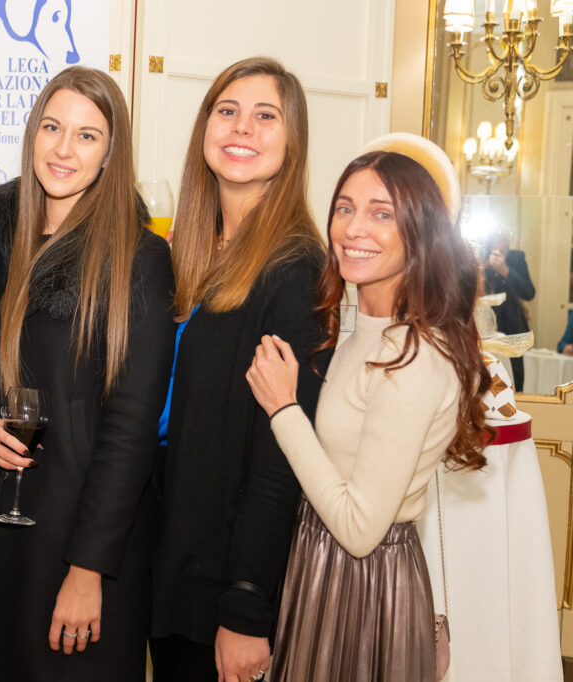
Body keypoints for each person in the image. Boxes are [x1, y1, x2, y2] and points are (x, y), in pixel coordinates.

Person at [0, 66, 175, 682]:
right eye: (52, 127)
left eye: (87, 135)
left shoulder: (137, 257)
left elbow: (132, 428)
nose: (64, 149)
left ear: (111, 154)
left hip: (81, 537)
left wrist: (88, 569)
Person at [246, 145, 492, 681]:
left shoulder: (414, 353)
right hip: (324, 568)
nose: (354, 228)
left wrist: (283, 408)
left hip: (360, 586)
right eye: (344, 207)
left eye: (382, 213)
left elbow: (360, 529)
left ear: (419, 233)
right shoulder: (363, 327)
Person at [149, 57, 328, 682]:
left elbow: (283, 452)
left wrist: (247, 606)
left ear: (292, 139)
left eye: (265, 116)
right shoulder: (192, 255)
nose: (241, 128)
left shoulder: (295, 269)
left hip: (227, 584)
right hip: (175, 557)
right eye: (227, 111)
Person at [481, 231, 535, 391]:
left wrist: (505, 271)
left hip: (513, 329)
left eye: (502, 251)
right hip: (485, 328)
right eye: (494, 251)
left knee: (514, 381)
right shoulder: (480, 260)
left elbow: (529, 292)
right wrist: (484, 268)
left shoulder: (516, 259)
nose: (498, 254)